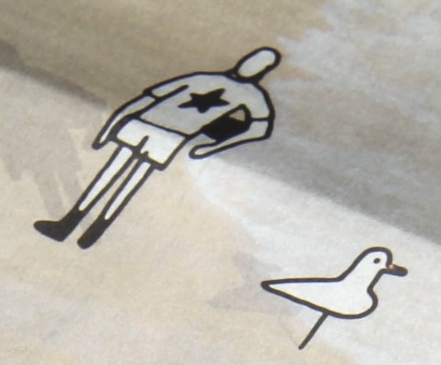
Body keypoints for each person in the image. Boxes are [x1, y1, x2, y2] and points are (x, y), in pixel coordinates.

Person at [34, 49, 279, 250]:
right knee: (109, 174)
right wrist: (111, 126)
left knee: (131, 182)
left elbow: (259, 129)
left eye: (260, 63)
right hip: (143, 125)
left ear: (264, 69)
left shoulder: (251, 96)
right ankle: (68, 223)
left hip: (170, 136)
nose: (252, 65)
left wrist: (212, 146)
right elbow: (148, 99)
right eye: (253, 59)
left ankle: (96, 230)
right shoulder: (204, 79)